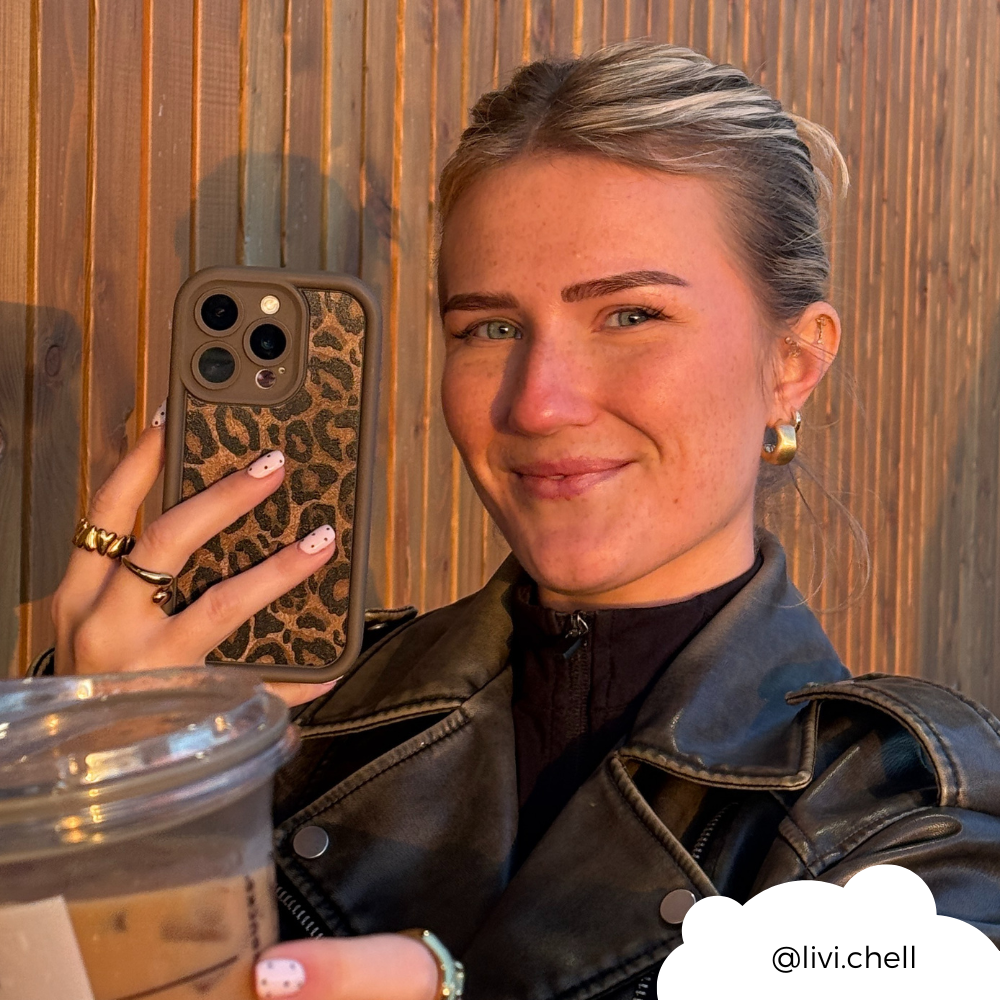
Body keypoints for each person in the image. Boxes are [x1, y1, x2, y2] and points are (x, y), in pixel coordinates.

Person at [45, 42, 1000, 1000]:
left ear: (792, 363)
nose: (538, 404)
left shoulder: (905, 812)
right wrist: (107, 784)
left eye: (629, 316)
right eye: (489, 329)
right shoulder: (276, 712)